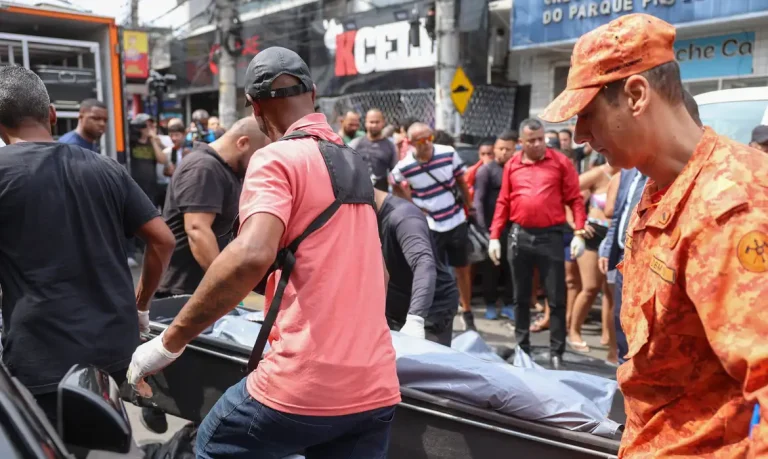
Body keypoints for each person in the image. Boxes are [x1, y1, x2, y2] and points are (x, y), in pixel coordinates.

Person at [127, 47, 400, 458]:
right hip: (376, 386)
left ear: (256, 109)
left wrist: (168, 343)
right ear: (313, 94)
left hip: (302, 385)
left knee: (212, 444)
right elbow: (379, 275)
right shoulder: (354, 162)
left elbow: (251, 254)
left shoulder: (276, 157)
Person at [541, 13, 768, 456]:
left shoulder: (731, 205)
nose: (581, 135)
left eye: (587, 115)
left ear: (636, 95)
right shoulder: (658, 184)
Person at [0, 66, 175, 425]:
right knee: (106, 435)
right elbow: (163, 239)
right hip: (114, 349)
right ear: (51, 114)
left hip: (43, 355)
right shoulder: (105, 168)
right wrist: (140, 304)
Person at [487, 118, 586, 369]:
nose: (538, 143)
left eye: (541, 138)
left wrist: (579, 232)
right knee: (520, 297)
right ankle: (523, 347)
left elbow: (575, 199)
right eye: (532, 140)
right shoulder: (512, 165)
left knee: (556, 297)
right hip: (519, 236)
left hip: (550, 236)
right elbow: (503, 202)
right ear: (521, 142)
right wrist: (494, 236)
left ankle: (557, 351)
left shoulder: (560, 162)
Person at [157, 117, 270, 298]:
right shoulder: (204, 167)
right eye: (259, 156)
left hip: (201, 288)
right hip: (183, 291)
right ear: (242, 143)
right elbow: (197, 230)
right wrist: (225, 287)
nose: (261, 165)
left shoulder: (226, 169)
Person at [391, 123, 476, 331]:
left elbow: (461, 181)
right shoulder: (405, 166)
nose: (427, 144)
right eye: (421, 141)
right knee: (431, 269)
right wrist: (413, 205)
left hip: (455, 218)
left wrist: (469, 208)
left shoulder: (447, 153)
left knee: (462, 268)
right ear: (410, 143)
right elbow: (393, 183)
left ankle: (467, 311)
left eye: (429, 138)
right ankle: (434, 311)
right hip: (430, 224)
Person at [375, 188, 459, 345]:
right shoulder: (362, 219)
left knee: (427, 366)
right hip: (394, 308)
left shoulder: (403, 216)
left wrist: (415, 318)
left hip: (431, 310)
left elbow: (423, 262)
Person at [567, 161, 620, 361]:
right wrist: (575, 223)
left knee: (611, 291)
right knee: (590, 288)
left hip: (615, 237)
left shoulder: (629, 174)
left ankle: (608, 339)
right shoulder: (598, 174)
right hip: (593, 234)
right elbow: (566, 193)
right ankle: (574, 331)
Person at [474, 131, 518, 320]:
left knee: (512, 268)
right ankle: (490, 303)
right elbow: (478, 201)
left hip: (514, 228)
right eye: (500, 148)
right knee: (491, 268)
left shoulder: (517, 169)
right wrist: (485, 230)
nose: (504, 153)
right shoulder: (486, 171)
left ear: (515, 149)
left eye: (508, 149)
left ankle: (509, 303)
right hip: (493, 229)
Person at [350, 109, 398, 191]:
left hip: (381, 193)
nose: (374, 125)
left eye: (377, 122)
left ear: (383, 123)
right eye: (371, 122)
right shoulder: (355, 144)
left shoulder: (390, 146)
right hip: (358, 192)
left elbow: (395, 173)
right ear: (366, 123)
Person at [464, 138, 495, 202]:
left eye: (489, 154)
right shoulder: (471, 171)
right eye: (483, 154)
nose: (486, 157)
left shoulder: (502, 168)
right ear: (479, 155)